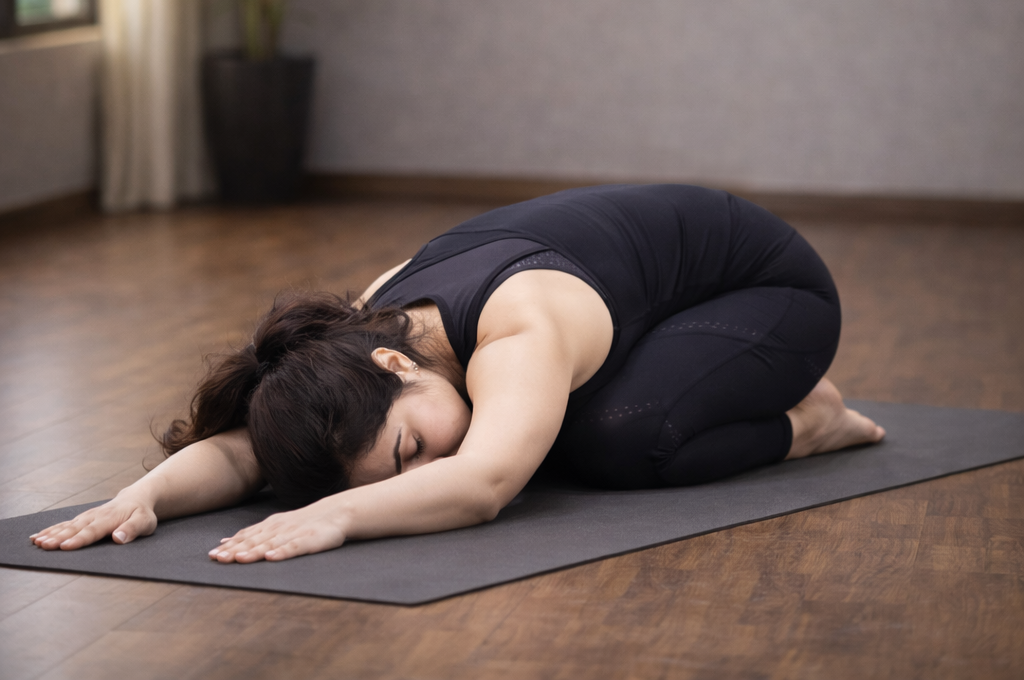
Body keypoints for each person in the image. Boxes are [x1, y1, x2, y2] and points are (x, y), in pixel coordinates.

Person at [31, 185, 884, 564]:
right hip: (649, 303)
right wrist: (140, 496)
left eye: (411, 449)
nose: (426, 470)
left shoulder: (517, 326)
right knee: (560, 430)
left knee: (617, 440)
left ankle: (812, 420)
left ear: (398, 364)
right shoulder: (357, 344)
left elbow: (481, 485)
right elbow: (254, 443)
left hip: (766, 290)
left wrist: (338, 515)